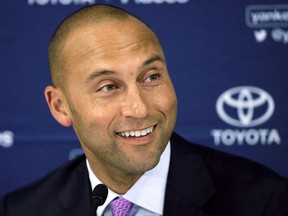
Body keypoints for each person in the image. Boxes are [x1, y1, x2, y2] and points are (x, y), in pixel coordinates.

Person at [1, 4, 288, 216]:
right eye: (109, 87)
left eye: (151, 77)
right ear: (60, 107)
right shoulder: (22, 209)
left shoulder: (265, 202)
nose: (139, 109)